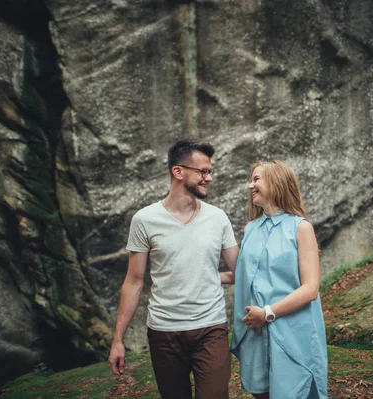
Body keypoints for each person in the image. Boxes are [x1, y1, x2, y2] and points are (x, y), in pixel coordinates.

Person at [108, 139, 239, 399]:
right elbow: (133, 282)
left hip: (210, 328)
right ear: (178, 172)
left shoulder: (218, 218)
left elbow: (241, 271)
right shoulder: (144, 220)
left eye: (210, 171)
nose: (209, 178)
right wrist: (118, 340)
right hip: (164, 332)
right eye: (203, 171)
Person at [230, 160, 328, 399]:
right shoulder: (250, 229)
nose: (250, 185)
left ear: (277, 183)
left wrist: (267, 313)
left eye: (256, 179)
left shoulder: (301, 228)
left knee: (296, 391)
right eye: (250, 180)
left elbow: (310, 288)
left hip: (293, 331)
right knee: (261, 391)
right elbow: (245, 274)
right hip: (255, 331)